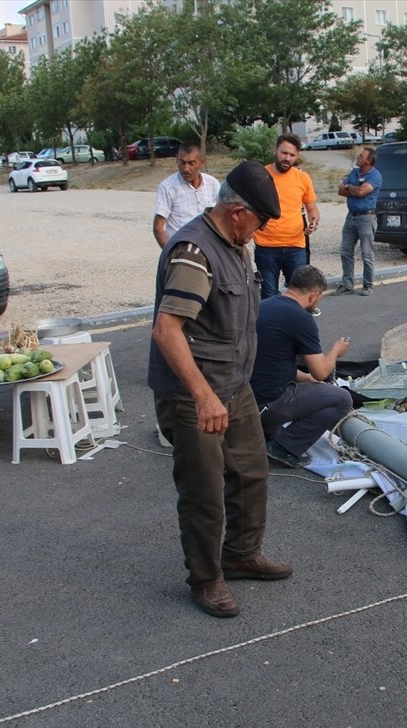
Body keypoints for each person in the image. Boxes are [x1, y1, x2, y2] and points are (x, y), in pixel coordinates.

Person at [148, 160, 291, 619]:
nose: (262, 230)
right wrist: (204, 395)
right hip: (196, 395)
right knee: (203, 491)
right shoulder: (195, 250)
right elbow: (167, 330)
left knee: (252, 473)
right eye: (260, 221)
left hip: (234, 385)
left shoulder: (236, 243)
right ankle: (206, 579)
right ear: (236, 211)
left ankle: (241, 554)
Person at [251, 265, 352, 468]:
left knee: (313, 386)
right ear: (314, 296)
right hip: (272, 401)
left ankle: (266, 432)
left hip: (249, 397)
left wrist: (306, 379)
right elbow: (321, 372)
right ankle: (285, 447)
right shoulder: (301, 318)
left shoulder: (263, 305)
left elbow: (270, 361)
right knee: (342, 399)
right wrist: (335, 351)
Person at [253, 133, 319, 299]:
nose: (287, 158)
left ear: (297, 155)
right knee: (268, 296)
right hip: (266, 247)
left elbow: (311, 208)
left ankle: (294, 325)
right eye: (284, 153)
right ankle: (270, 325)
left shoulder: (303, 178)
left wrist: (314, 221)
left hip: (296, 246)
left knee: (299, 295)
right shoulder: (260, 176)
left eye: (292, 155)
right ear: (275, 150)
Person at [152, 141, 221, 248]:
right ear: (176, 160)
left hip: (208, 248)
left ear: (201, 162)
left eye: (191, 163)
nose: (186, 169)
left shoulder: (213, 184)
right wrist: (169, 253)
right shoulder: (168, 187)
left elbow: (221, 218)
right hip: (181, 249)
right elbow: (158, 227)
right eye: (182, 162)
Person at [333, 146, 382, 297]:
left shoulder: (375, 176)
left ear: (369, 161)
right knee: (345, 251)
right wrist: (350, 187)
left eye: (361, 156)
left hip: (366, 218)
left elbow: (361, 192)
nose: (358, 157)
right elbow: (341, 190)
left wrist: (349, 187)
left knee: (367, 253)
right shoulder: (354, 173)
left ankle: (368, 285)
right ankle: (347, 285)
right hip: (351, 216)